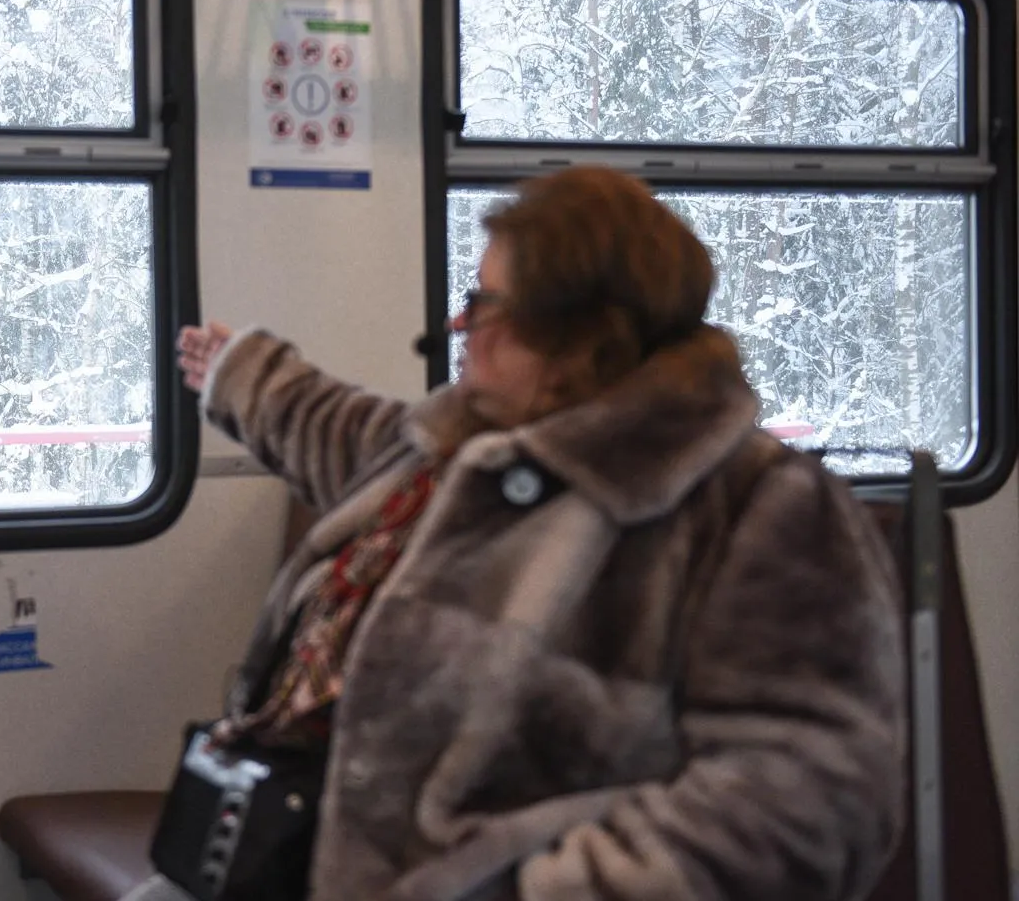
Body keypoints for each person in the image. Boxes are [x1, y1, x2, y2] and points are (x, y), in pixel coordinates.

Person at [130, 167, 905, 901]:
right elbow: (348, 437)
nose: (459, 325)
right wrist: (248, 378)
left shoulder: (759, 507)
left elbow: (811, 798)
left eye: (486, 304)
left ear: (579, 338)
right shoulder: (470, 450)